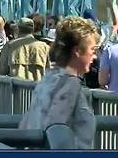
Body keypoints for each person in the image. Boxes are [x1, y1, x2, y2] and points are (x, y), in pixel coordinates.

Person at [19, 16, 100, 149]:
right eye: (92, 50)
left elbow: (28, 124)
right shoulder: (70, 85)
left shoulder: (49, 78)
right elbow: (55, 132)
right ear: (77, 51)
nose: (94, 56)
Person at [81, 4, 118, 89]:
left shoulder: (81, 34)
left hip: (87, 68)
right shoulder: (104, 31)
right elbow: (117, 24)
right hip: (100, 65)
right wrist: (113, 7)